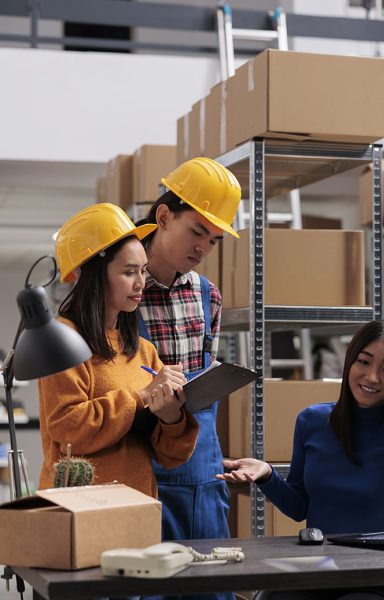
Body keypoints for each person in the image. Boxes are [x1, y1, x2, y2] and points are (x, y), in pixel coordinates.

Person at [217, 320, 384, 600]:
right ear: (349, 361)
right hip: (315, 572)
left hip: (377, 580)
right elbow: (298, 506)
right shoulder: (311, 421)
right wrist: (267, 475)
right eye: (363, 362)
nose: (372, 377)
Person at [38, 203, 199, 497]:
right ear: (95, 275)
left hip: (137, 505)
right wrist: (140, 397)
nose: (141, 283)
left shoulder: (143, 350)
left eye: (143, 271)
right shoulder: (61, 340)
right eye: (129, 272)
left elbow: (171, 456)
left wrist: (172, 416)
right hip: (81, 508)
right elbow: (68, 429)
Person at [136, 157, 241, 600]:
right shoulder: (118, 284)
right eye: (197, 231)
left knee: (207, 585)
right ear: (164, 216)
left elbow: (203, 373)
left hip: (197, 464)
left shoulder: (207, 295)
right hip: (133, 456)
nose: (203, 247)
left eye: (214, 240)